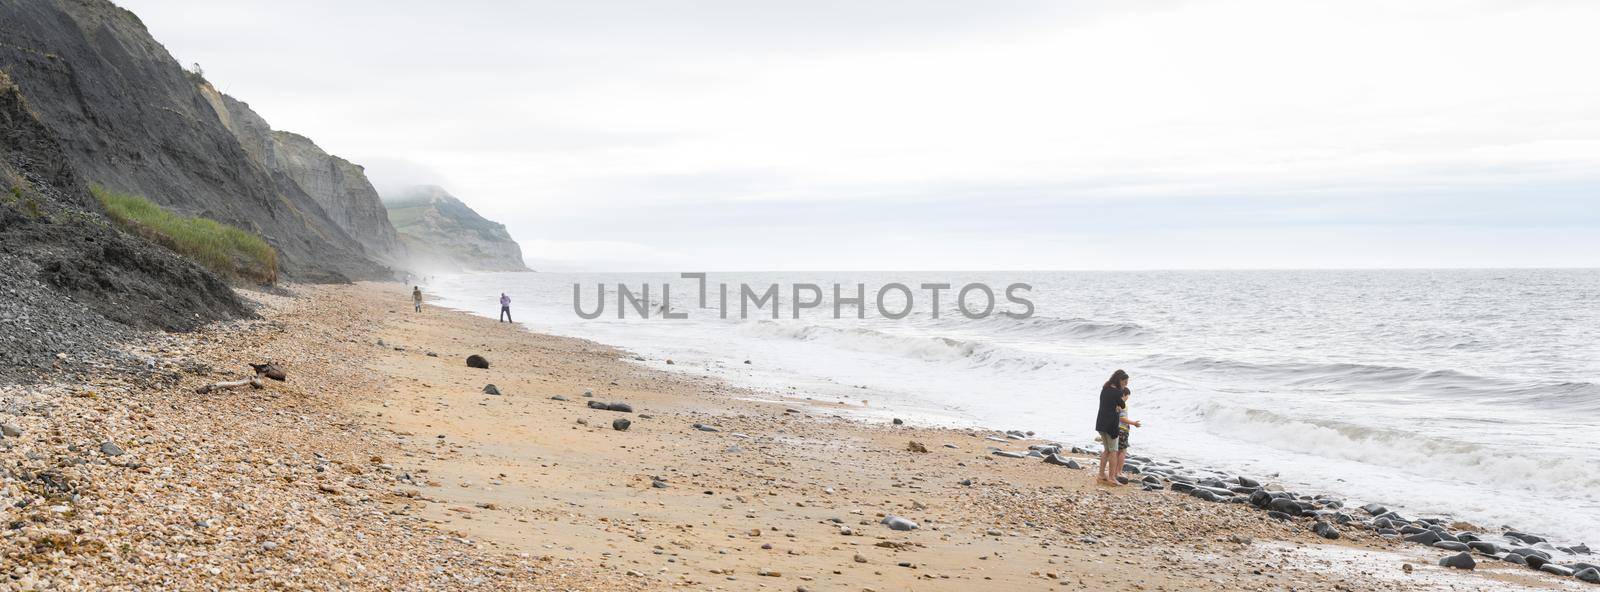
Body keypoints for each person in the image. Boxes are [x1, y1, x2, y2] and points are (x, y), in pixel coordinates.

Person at [1095, 369, 1129, 486]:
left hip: (1101, 423)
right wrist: (1122, 401)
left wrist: (1117, 407)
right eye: (1125, 382)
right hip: (1110, 425)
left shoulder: (1105, 389)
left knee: (1106, 450)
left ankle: (1101, 475)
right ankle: (1112, 477)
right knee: (1113, 451)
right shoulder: (1116, 392)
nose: (1126, 385)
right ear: (1119, 380)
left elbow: (1111, 406)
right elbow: (1122, 404)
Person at [1116, 387, 1141, 474]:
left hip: (1116, 428)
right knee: (1122, 451)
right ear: (1124, 395)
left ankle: (1115, 470)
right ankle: (1119, 471)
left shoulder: (1115, 403)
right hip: (1122, 429)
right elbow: (1122, 418)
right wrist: (1133, 423)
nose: (1127, 399)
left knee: (1117, 451)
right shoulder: (1123, 405)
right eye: (1127, 397)